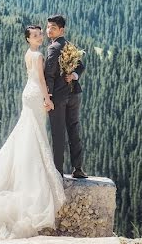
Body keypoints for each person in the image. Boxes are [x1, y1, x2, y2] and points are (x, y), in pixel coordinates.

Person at [0, 24, 67, 239]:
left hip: (28, 92)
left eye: (39, 35)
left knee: (28, 130)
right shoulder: (36, 55)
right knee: (34, 132)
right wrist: (48, 99)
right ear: (28, 39)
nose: (39, 38)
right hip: (36, 93)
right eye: (35, 36)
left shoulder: (30, 53)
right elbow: (42, 79)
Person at [44, 14, 87, 178]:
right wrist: (74, 76)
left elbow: (50, 74)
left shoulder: (53, 48)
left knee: (58, 133)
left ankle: (58, 172)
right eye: (48, 27)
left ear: (62, 29)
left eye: (53, 28)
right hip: (74, 94)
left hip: (59, 96)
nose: (49, 30)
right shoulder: (70, 46)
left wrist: (47, 96)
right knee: (74, 129)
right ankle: (78, 168)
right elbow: (80, 66)